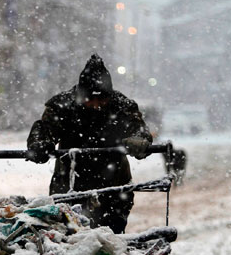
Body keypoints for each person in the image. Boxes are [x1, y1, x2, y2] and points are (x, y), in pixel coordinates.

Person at [26, 54, 152, 234]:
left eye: (101, 100)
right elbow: (44, 129)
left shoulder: (123, 107)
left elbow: (138, 129)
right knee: (68, 237)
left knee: (108, 237)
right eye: (90, 100)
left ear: (109, 96)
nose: (95, 105)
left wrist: (139, 140)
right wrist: (39, 144)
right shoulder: (61, 106)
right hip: (69, 186)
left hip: (113, 187)